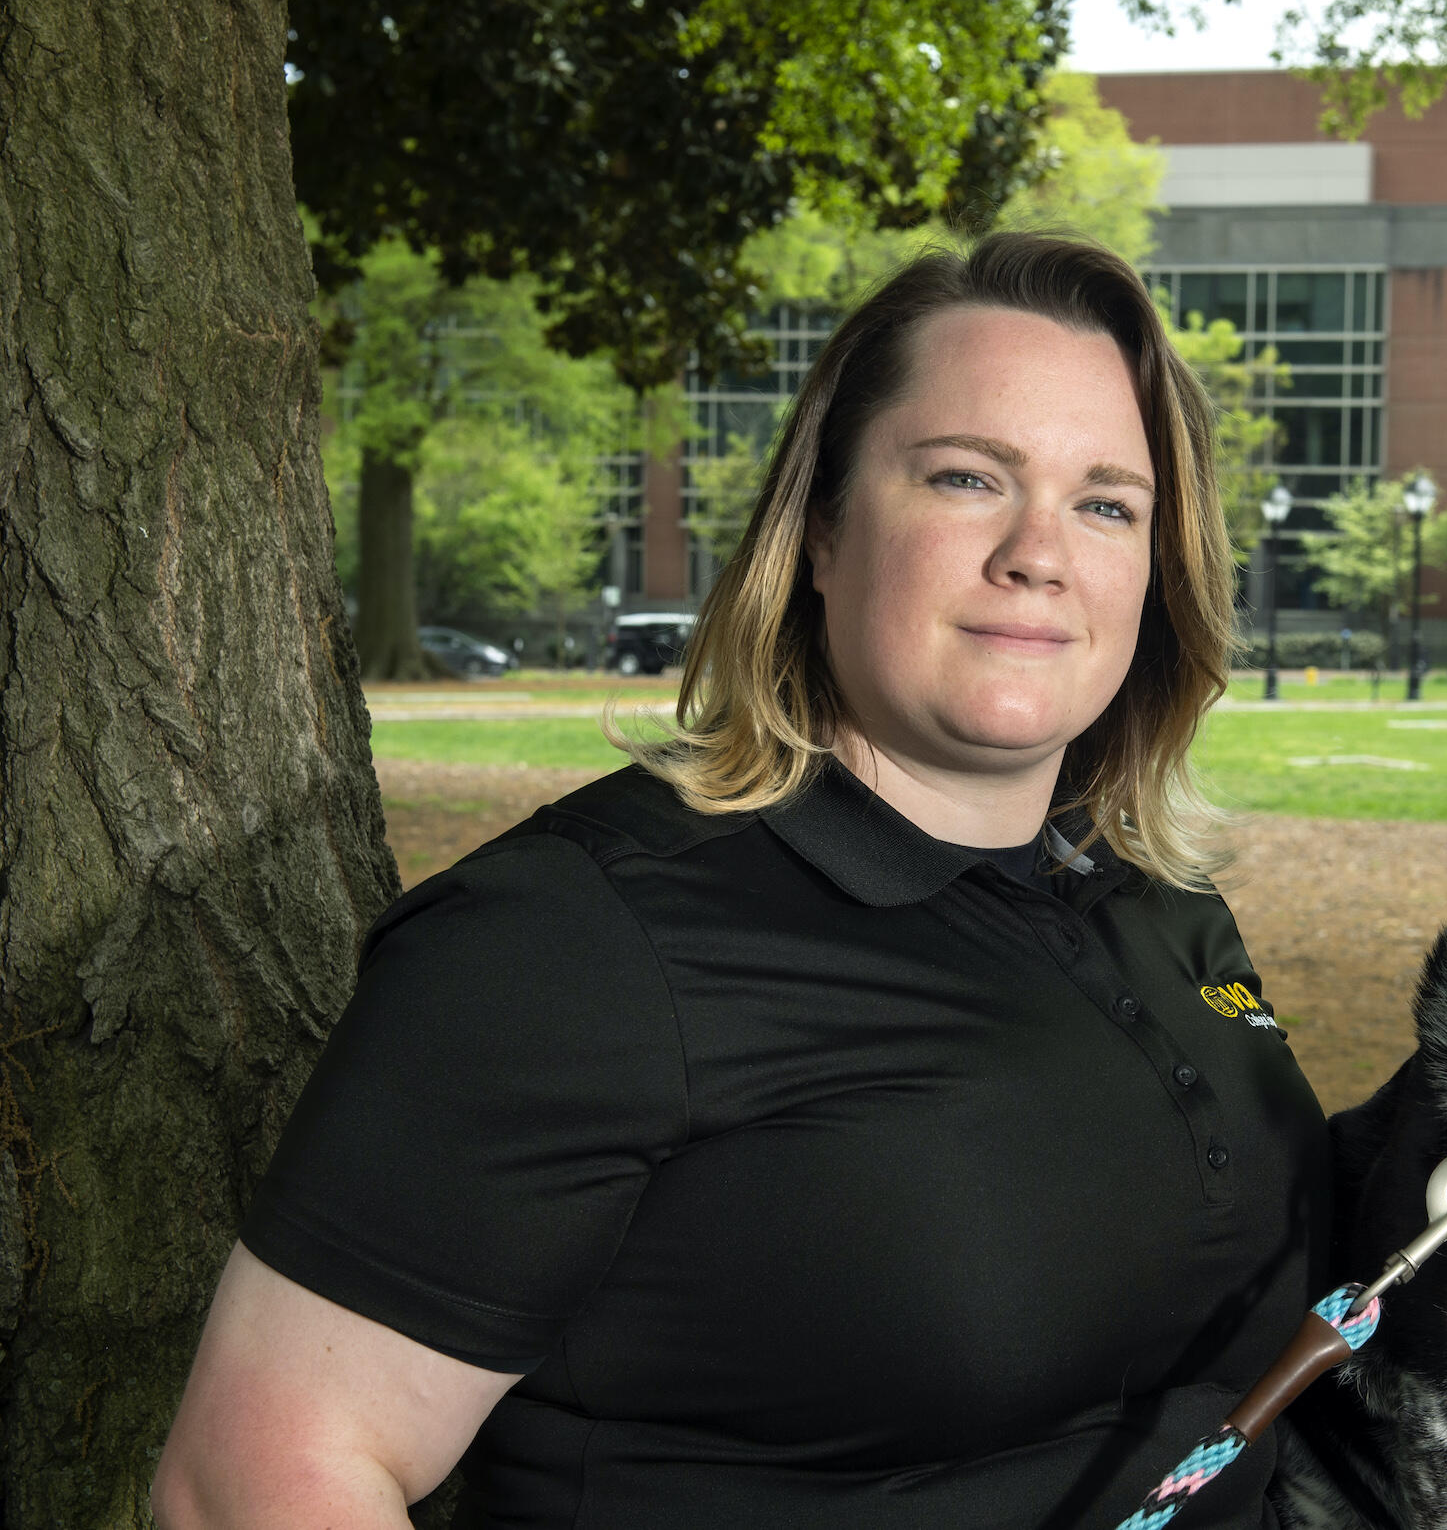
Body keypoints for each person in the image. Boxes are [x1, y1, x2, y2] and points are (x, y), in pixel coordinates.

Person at [153, 234, 1331, 1529]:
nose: (1036, 552)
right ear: (820, 529)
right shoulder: (572, 943)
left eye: (1106, 503)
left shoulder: (1158, 906)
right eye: (964, 478)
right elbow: (255, 1481)